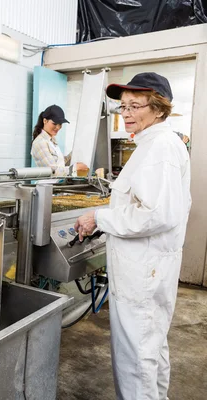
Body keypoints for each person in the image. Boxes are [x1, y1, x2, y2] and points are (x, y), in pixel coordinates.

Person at [75, 72, 192, 400]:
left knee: (135, 356)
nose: (125, 113)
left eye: (135, 106)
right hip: (149, 268)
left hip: (143, 272)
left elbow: (156, 214)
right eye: (122, 106)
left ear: (158, 108)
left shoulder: (160, 148)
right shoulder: (154, 144)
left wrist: (99, 216)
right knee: (150, 347)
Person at [30, 104, 88, 176]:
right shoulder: (40, 142)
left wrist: (74, 152)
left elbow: (59, 163)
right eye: (54, 123)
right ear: (45, 121)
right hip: (49, 185)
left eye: (60, 124)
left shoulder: (51, 140)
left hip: (57, 184)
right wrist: (74, 168)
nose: (57, 127)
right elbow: (52, 171)